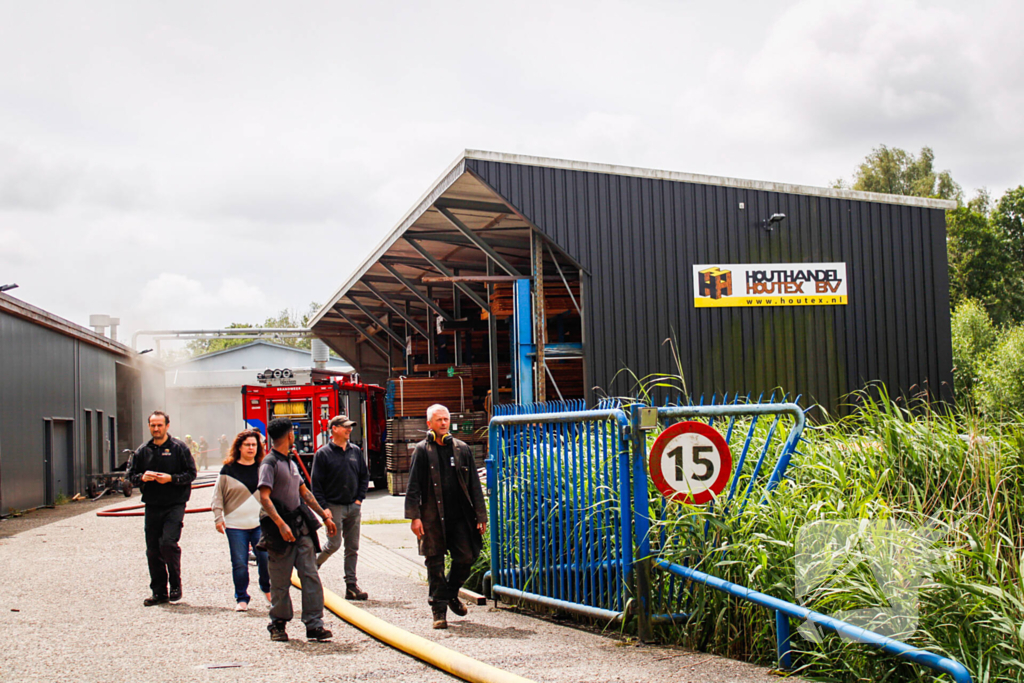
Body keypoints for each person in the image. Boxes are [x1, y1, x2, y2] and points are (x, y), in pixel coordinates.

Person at [405, 404, 487, 629]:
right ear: (429, 424)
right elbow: (413, 487)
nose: (443, 423)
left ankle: (450, 594)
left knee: (466, 557)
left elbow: (474, 487)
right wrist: (414, 517)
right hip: (431, 517)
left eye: (446, 419)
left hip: (460, 517)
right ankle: (438, 611)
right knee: (435, 563)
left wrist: (481, 515)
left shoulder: (462, 449)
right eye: (439, 420)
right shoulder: (422, 451)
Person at [258, 417, 337, 642]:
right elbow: (264, 498)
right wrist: (281, 525)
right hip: (279, 534)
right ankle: (278, 624)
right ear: (290, 436)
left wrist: (324, 516)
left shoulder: (291, 463)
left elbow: (305, 493)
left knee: (310, 575)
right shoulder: (269, 463)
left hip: (301, 530)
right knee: (281, 581)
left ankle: (314, 624)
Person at [127, 411, 197, 606]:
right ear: (148, 426)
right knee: (152, 550)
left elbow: (191, 473)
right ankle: (159, 592)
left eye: (159, 425)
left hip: (175, 504)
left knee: (168, 544)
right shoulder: (142, 451)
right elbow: (130, 477)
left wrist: (171, 479)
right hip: (152, 505)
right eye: (152, 425)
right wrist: (142, 477)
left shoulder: (179, 448)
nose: (156, 428)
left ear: (167, 426)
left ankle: (175, 584)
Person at [211, 429, 271, 612]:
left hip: (260, 524)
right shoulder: (228, 470)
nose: (251, 448)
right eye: (247, 445)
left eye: (254, 445)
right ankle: (242, 598)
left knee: (265, 559)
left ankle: (268, 590)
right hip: (235, 525)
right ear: (239, 447)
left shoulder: (263, 468)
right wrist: (218, 517)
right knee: (239, 562)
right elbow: (217, 496)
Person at [311, 414, 369, 600]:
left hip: (353, 506)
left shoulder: (355, 451)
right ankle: (313, 566)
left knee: (352, 547)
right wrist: (324, 508)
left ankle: (351, 586)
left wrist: (359, 499)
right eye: (345, 427)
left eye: (350, 426)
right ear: (334, 429)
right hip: (333, 507)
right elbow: (316, 485)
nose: (349, 430)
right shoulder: (323, 454)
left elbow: (364, 476)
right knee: (334, 544)